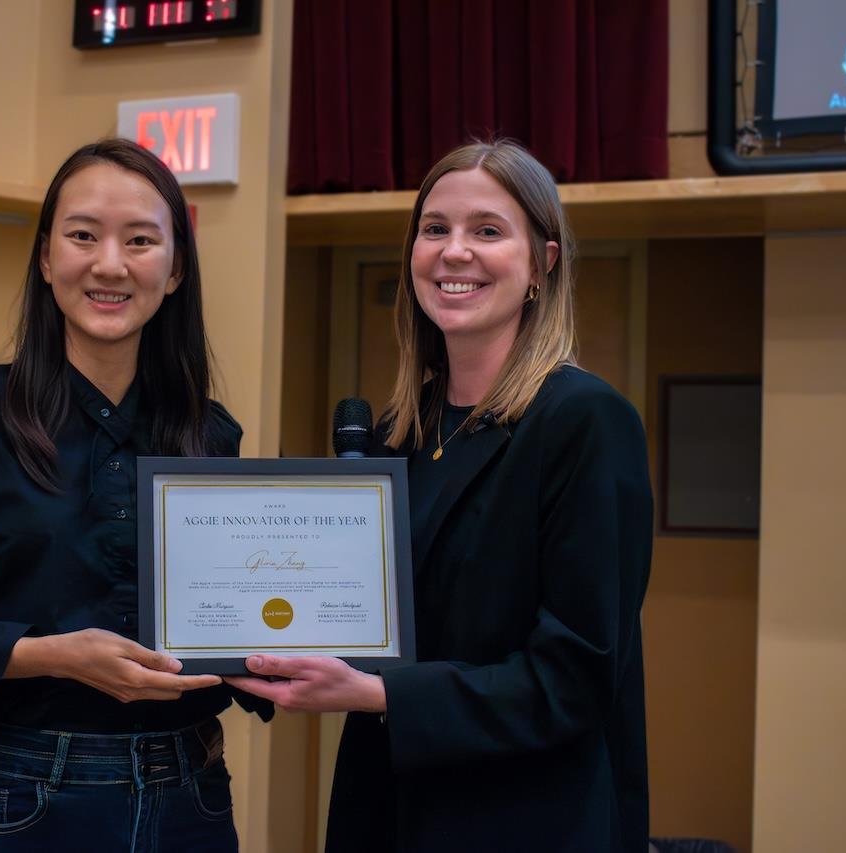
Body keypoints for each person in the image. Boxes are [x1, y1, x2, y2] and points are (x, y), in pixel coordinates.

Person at [0, 138, 270, 852]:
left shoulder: (207, 434)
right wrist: (52, 654)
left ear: (175, 270)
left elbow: (225, 617)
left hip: (192, 791)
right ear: (46, 259)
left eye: (140, 240)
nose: (109, 263)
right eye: (82, 236)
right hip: (28, 794)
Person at [228, 140, 652, 852]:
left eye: (488, 230)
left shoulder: (583, 420)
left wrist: (378, 694)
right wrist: (242, 642)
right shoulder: (402, 431)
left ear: (543, 265)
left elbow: (574, 678)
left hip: (524, 819)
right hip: (388, 809)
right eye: (436, 229)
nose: (456, 252)